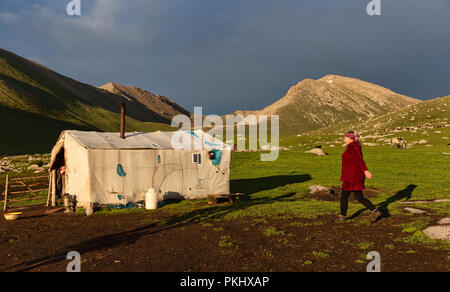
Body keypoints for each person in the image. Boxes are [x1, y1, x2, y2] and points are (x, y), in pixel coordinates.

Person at [336, 131, 382, 222]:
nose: (344, 139)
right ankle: (375, 211)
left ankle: (342, 217)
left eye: (345, 137)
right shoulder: (352, 147)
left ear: (350, 138)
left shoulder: (354, 147)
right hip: (352, 176)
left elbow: (359, 160)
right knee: (359, 197)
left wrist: (365, 170)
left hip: (352, 177)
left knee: (344, 197)